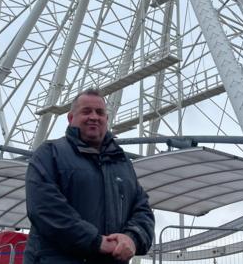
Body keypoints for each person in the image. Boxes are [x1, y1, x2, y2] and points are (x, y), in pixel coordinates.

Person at [24, 88, 155, 264]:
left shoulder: (122, 163)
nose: (94, 117)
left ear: (106, 120)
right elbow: (45, 209)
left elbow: (142, 210)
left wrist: (132, 238)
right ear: (70, 118)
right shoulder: (49, 154)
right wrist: (95, 241)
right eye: (86, 111)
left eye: (100, 113)